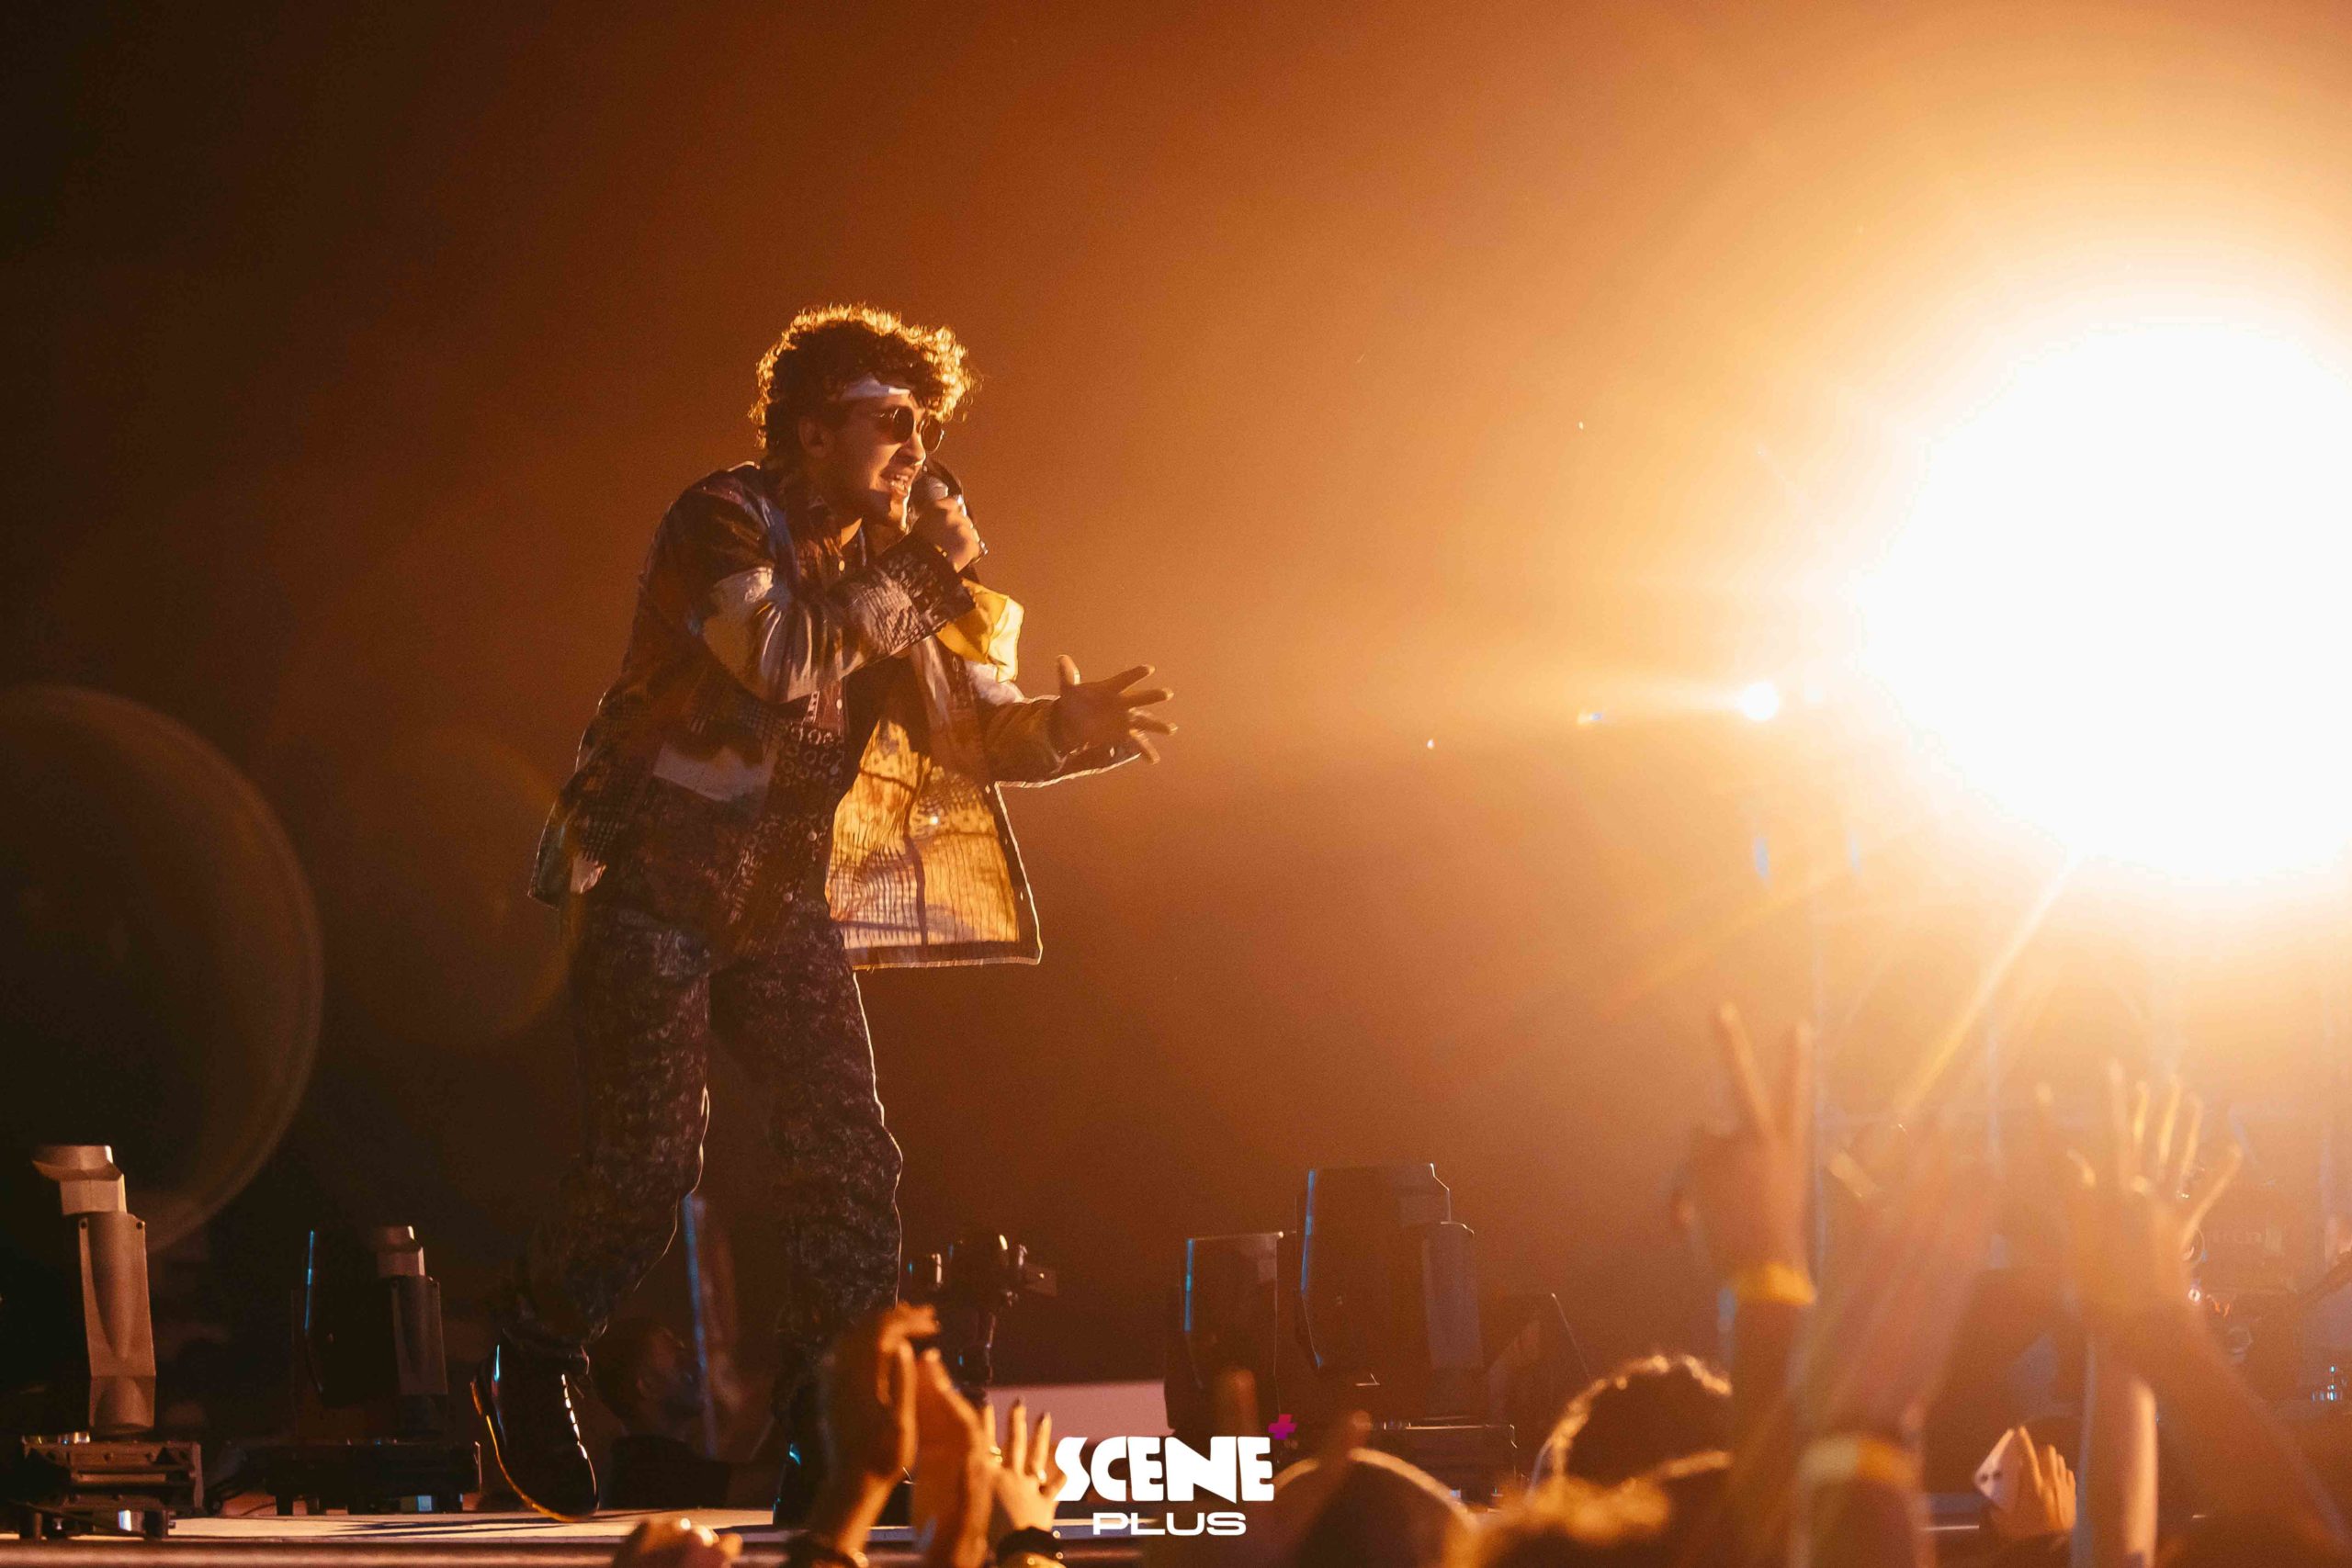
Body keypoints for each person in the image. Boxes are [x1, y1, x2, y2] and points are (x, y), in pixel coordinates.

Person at [473, 304, 1174, 1519]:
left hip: (778, 901)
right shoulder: (723, 517)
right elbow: (780, 658)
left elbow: (973, 734)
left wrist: (1067, 729)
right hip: (651, 881)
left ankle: (829, 1435)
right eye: (891, 421)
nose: (917, 448)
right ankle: (533, 1349)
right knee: (651, 1166)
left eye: (927, 425)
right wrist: (925, 571)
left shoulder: (896, 568)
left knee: (850, 1160)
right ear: (810, 431)